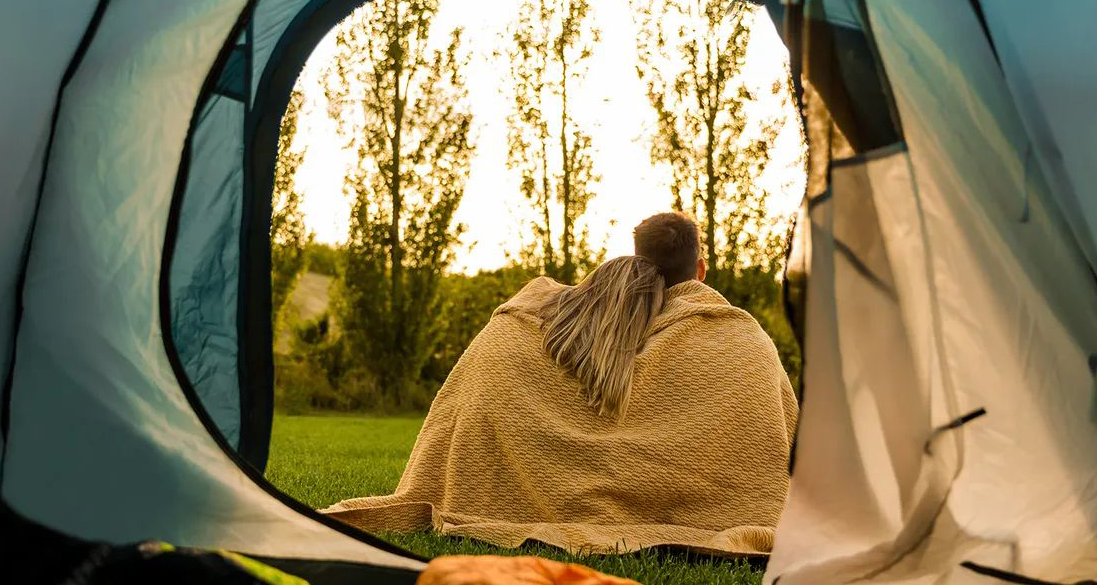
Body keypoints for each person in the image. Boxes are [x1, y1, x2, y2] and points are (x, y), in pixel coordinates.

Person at [324, 212, 799, 557]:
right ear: (699, 270)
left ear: (638, 258)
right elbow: (783, 446)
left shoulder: (529, 320)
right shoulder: (741, 340)